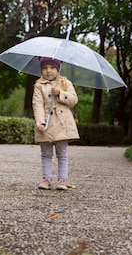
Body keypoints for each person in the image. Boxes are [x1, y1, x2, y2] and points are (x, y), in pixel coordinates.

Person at [32, 56, 79, 190]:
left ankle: (62, 180)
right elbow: (37, 104)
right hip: (46, 122)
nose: (48, 71)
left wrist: (60, 93)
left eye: (52, 68)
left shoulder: (65, 83)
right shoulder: (39, 85)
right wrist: (40, 122)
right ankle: (46, 179)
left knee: (62, 153)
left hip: (62, 122)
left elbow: (73, 100)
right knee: (46, 153)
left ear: (58, 69)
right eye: (45, 68)